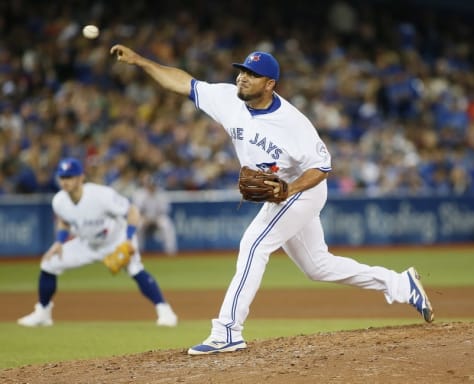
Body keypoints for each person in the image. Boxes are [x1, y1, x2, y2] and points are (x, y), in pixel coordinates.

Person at [110, 45, 434, 355]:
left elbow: (322, 167)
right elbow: (184, 83)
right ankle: (400, 283)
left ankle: (227, 332)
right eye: (241, 72)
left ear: (269, 84)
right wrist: (141, 61)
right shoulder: (227, 99)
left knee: (254, 244)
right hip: (285, 192)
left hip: (302, 189)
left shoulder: (294, 123)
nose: (242, 78)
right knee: (318, 266)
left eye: (251, 74)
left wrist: (287, 192)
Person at [17, 157, 178, 327]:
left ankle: (165, 311)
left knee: (135, 269)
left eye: (70, 177)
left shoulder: (101, 195)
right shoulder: (59, 201)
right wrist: (59, 242)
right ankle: (43, 313)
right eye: (62, 177)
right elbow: (64, 221)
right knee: (49, 263)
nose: (65, 181)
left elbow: (132, 211)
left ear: (81, 178)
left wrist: (129, 239)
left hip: (116, 240)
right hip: (86, 243)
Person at [132, 173, 178, 255]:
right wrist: (146, 219)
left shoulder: (161, 193)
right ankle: (138, 251)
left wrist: (155, 219)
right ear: (146, 185)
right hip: (144, 218)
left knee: (167, 224)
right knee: (137, 225)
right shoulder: (139, 194)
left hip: (158, 218)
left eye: (153, 185)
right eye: (150, 185)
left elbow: (165, 210)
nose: (152, 187)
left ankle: (170, 251)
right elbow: (136, 211)